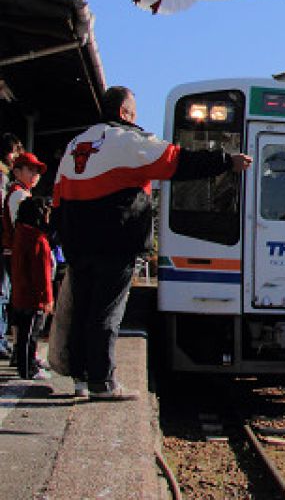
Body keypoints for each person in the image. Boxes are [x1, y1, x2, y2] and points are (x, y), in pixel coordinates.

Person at [52, 86, 252, 400]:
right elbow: (178, 161)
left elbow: (57, 201)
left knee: (83, 310)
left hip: (79, 244)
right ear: (123, 112)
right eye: (133, 109)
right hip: (115, 241)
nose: (136, 115)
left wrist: (67, 241)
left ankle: (80, 377)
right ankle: (102, 382)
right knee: (106, 313)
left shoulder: (76, 143)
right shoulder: (126, 140)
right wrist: (228, 161)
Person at [2, 147, 40, 362]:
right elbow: (23, 228)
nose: (35, 175)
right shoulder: (19, 194)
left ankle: (20, 349)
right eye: (30, 170)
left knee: (19, 301)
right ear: (17, 171)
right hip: (18, 253)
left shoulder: (21, 192)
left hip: (15, 252)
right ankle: (22, 352)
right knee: (24, 302)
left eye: (37, 171)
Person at [10, 196, 54, 379]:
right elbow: (42, 273)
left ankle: (24, 366)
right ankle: (28, 369)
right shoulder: (37, 240)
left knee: (22, 334)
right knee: (31, 334)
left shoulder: (20, 234)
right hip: (33, 296)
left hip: (20, 292)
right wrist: (47, 298)